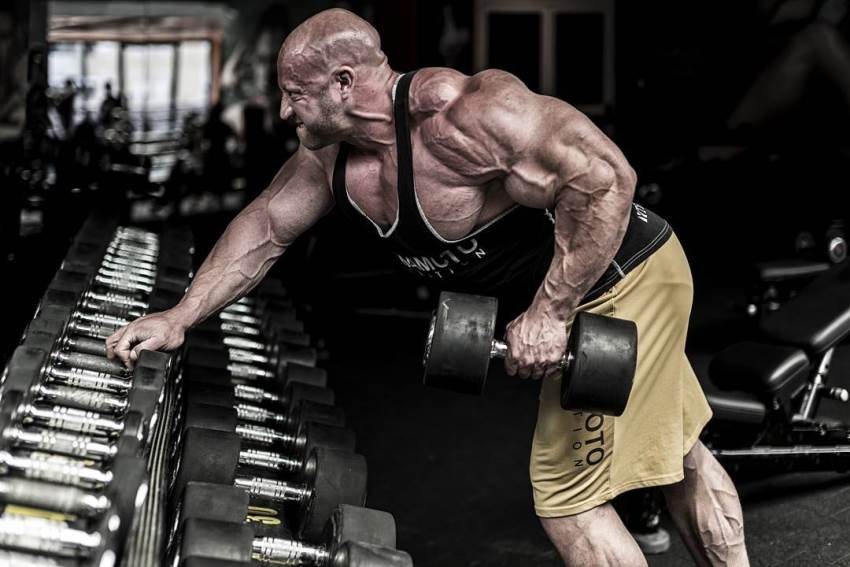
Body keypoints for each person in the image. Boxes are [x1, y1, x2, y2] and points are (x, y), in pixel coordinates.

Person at [106, 8, 747, 566]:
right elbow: (266, 227)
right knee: (680, 452)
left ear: (343, 84)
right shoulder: (330, 160)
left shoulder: (466, 116)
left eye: (294, 94)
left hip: (624, 278)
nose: (282, 110)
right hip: (602, 288)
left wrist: (551, 312)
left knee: (568, 500)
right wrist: (181, 315)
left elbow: (605, 179)